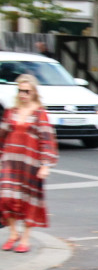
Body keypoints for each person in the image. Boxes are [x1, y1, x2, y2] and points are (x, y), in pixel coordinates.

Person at [0, 74, 56, 253]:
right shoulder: (12, 111)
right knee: (6, 197)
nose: (23, 94)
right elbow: (2, 134)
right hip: (9, 160)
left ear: (33, 92)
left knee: (27, 201)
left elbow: (47, 140)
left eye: (27, 91)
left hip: (30, 163)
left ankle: (25, 238)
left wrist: (45, 165)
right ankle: (13, 233)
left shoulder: (40, 113)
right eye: (20, 91)